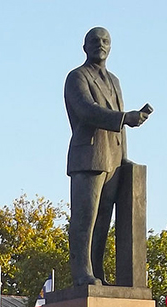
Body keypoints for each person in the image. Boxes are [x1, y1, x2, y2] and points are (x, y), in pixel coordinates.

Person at [64, 27, 151, 286]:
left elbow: (121, 125)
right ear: (84, 47)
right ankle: (82, 272)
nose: (100, 45)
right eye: (94, 41)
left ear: (110, 47)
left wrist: (124, 158)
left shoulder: (114, 81)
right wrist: (125, 118)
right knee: (85, 217)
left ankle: (96, 273)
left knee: (103, 220)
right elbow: (87, 111)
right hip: (88, 157)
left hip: (113, 159)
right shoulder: (76, 77)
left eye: (105, 41)